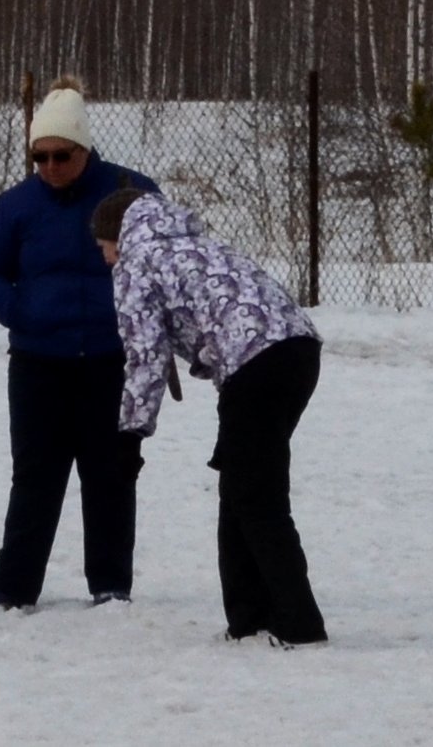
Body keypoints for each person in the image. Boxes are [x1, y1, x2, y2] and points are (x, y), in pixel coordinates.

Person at [91, 189, 328, 647]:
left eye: (103, 248)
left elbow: (144, 354)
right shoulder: (194, 243)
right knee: (241, 487)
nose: (105, 260)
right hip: (299, 352)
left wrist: (130, 436)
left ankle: (299, 625)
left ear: (115, 235)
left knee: (258, 500)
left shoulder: (136, 261)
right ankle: (248, 620)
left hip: (253, 364)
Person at [0, 75, 160, 610]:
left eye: (62, 155)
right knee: (35, 475)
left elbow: (163, 259)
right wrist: (19, 313)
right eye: (40, 158)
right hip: (38, 363)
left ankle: (111, 585)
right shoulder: (17, 206)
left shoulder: (130, 192)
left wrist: (138, 324)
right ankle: (12, 587)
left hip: (109, 360)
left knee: (111, 473)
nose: (50, 167)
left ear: (85, 148)